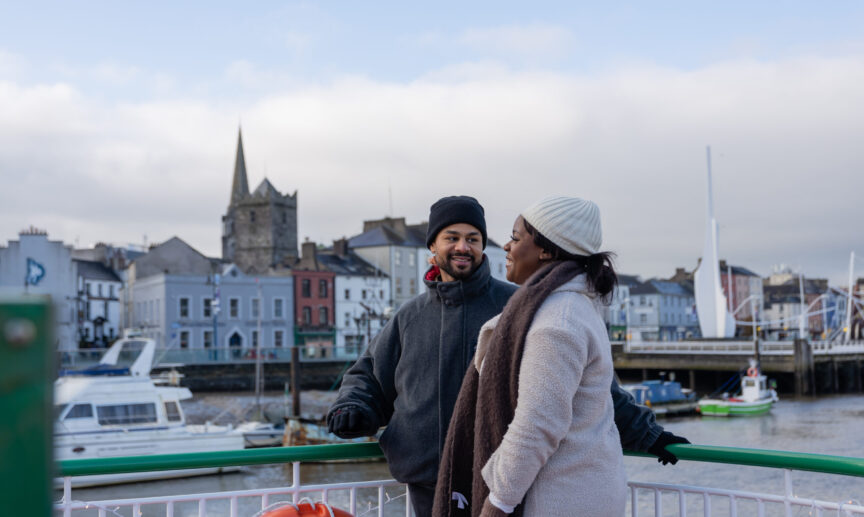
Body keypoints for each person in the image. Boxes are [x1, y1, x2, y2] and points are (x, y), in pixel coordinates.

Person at [328, 195, 687, 517]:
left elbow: (589, 389)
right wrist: (354, 409)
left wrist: (647, 433)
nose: (462, 247)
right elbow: (370, 375)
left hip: (498, 482)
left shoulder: (520, 306)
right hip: (427, 481)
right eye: (451, 238)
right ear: (432, 246)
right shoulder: (409, 317)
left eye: (473, 239)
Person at [436, 196, 635, 516]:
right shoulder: (571, 307)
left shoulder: (557, 323)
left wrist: (497, 502)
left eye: (515, 237)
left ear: (546, 249)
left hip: (558, 499)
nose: (506, 247)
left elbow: (538, 424)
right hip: (577, 492)